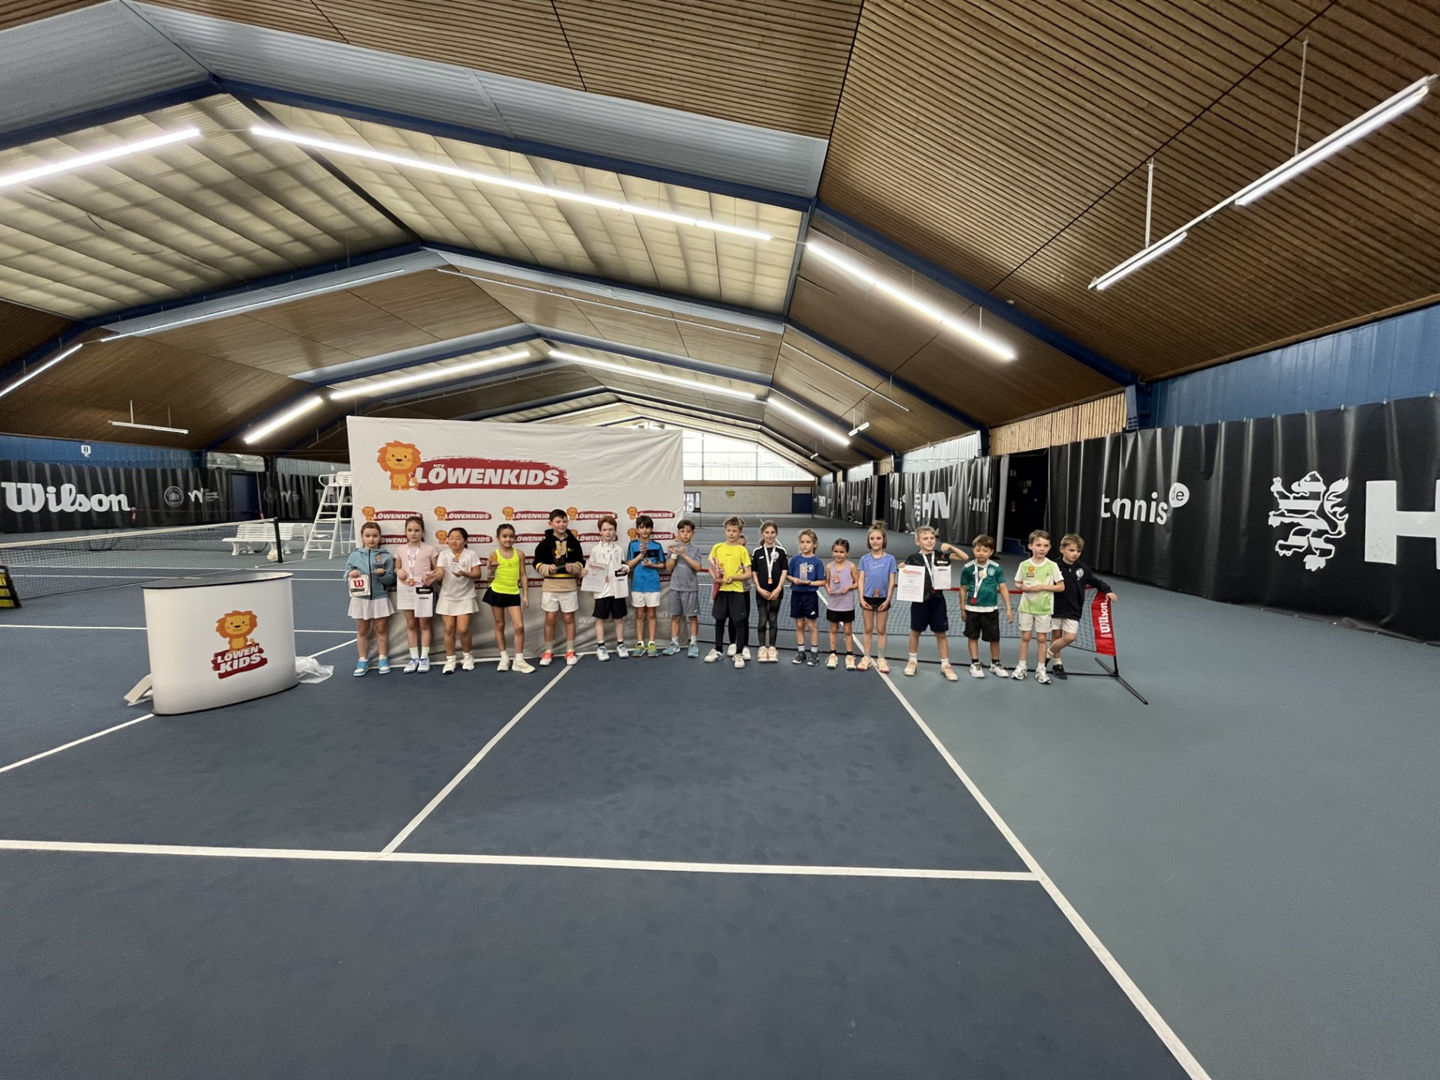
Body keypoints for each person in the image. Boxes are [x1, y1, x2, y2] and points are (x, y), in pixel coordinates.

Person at [903, 526, 969, 681]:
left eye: (932, 538)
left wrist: (951, 546)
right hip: (919, 601)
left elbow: (965, 557)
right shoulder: (913, 558)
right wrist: (902, 568)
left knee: (941, 633)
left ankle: (946, 664)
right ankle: (912, 661)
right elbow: (906, 575)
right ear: (917, 541)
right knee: (915, 631)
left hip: (938, 601)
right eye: (925, 538)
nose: (929, 541)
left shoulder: (942, 555)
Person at [1048, 533, 1118, 681]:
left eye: (1078, 551)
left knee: (1070, 637)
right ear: (1062, 549)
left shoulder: (1083, 569)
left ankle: (1046, 655)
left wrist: (1108, 590)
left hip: (1074, 609)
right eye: (1071, 550)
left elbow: (1095, 581)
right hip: (1054, 607)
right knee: (1056, 636)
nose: (1075, 554)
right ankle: (1057, 663)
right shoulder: (1053, 566)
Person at [533, 508, 585, 667]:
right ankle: (548, 651)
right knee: (550, 619)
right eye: (558, 521)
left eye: (564, 521)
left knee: (569, 618)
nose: (561, 524)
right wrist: (548, 569)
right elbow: (536, 563)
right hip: (550, 586)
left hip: (568, 586)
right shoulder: (544, 543)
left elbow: (581, 562)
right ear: (551, 523)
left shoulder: (574, 542)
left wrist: (574, 568)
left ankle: (570, 650)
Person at [1011, 529, 1065, 684]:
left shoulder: (1052, 566)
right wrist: (1023, 588)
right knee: (1025, 637)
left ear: (1049, 548)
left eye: (1045, 545)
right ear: (1030, 546)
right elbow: (1018, 582)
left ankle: (1041, 669)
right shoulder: (1024, 565)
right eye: (1038, 545)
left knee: (1042, 638)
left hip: (1044, 609)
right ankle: (1021, 666)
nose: (1042, 548)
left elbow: (1061, 587)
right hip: (1026, 607)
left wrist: (1043, 587)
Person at [957, 533, 1012, 678]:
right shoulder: (967, 568)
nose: (981, 553)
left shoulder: (996, 568)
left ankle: (995, 663)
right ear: (973, 550)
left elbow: (1003, 588)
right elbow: (963, 589)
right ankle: (975, 663)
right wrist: (962, 608)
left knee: (994, 639)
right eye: (978, 550)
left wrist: (1008, 608)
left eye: (985, 550)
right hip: (972, 609)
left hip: (990, 610)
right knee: (972, 637)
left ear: (991, 552)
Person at [346, 521, 396, 676]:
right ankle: (362, 659)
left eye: (375, 536)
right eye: (368, 536)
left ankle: (382, 658)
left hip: (380, 598)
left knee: (381, 629)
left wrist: (382, 575)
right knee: (362, 630)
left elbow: (391, 580)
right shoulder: (354, 555)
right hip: (360, 599)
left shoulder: (386, 556)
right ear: (362, 537)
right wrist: (351, 574)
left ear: (380, 537)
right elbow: (345, 574)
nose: (371, 539)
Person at [484, 522, 533, 673]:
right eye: (504, 536)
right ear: (498, 538)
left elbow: (523, 575)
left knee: (519, 626)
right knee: (499, 625)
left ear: (515, 538)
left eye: (511, 536)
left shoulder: (519, 554)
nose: (508, 539)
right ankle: (504, 657)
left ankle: (518, 660)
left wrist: (525, 595)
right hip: (496, 592)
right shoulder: (494, 554)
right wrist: (491, 570)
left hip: (513, 593)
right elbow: (489, 579)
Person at [705, 515, 752, 669]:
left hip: (737, 591)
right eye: (729, 530)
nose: (731, 533)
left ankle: (738, 653)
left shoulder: (742, 550)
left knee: (738, 622)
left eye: (734, 530)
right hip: (721, 591)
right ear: (725, 531)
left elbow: (748, 574)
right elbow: (712, 568)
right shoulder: (717, 547)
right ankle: (718, 649)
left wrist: (734, 578)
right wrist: (716, 578)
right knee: (719, 620)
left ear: (740, 532)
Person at [395, 514, 439, 673]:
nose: (413, 533)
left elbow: (438, 569)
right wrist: (398, 571)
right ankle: (413, 657)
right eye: (410, 530)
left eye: (417, 530)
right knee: (411, 624)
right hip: (406, 590)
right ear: (405, 532)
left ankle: (424, 657)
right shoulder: (400, 550)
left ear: (423, 532)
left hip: (424, 590)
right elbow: (397, 568)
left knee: (424, 624)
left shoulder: (430, 549)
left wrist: (431, 576)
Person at [435, 526, 482, 673]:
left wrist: (465, 574)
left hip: (465, 596)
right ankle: (450, 660)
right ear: (447, 540)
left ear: (465, 540)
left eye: (458, 538)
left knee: (463, 629)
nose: (454, 541)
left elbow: (478, 574)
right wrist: (433, 576)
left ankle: (467, 657)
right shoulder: (443, 554)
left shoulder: (471, 554)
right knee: (449, 629)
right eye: (451, 538)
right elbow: (440, 572)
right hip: (447, 596)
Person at [856, 523, 897, 673]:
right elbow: (861, 580)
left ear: (883, 540)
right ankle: (866, 657)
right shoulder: (864, 559)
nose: (875, 541)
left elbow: (892, 581)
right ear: (868, 540)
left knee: (881, 629)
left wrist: (887, 600)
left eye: (878, 538)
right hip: (867, 598)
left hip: (883, 599)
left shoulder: (890, 559)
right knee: (868, 628)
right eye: (872, 538)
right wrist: (861, 598)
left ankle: (881, 658)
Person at [625, 514, 667, 656]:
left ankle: (651, 643)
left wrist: (652, 565)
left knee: (652, 614)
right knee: (639, 614)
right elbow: (629, 565)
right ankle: (640, 643)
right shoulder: (632, 545)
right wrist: (641, 556)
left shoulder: (657, 545)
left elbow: (663, 564)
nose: (644, 530)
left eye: (647, 527)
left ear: (651, 529)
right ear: (637, 529)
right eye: (641, 527)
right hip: (637, 585)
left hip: (652, 585)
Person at [588, 515, 628, 661]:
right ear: (600, 532)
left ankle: (620, 644)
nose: (608, 532)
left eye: (611, 529)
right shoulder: (595, 550)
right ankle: (601, 646)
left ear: (615, 531)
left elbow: (623, 564)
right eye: (605, 530)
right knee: (600, 618)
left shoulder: (619, 549)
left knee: (618, 618)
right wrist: (598, 576)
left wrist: (625, 567)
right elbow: (592, 569)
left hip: (617, 589)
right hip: (602, 591)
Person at [664, 518, 703, 657]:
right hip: (675, 587)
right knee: (675, 617)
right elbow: (669, 568)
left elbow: (698, 567)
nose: (685, 534)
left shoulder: (696, 550)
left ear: (693, 533)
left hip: (690, 588)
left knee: (692, 617)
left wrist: (684, 554)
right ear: (678, 533)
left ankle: (693, 643)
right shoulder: (672, 549)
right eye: (682, 531)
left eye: (688, 532)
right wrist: (675, 554)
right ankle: (674, 644)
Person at [750, 521, 788, 663]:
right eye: (767, 532)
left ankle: (772, 647)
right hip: (761, 592)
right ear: (762, 534)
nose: (770, 535)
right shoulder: (757, 552)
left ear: (776, 534)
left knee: (773, 620)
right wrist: (759, 588)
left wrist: (778, 588)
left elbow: (784, 571)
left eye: (772, 532)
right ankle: (761, 647)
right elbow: (754, 572)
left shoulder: (781, 551)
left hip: (776, 592)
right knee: (762, 620)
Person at [787, 529, 825, 666]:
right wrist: (794, 580)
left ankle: (814, 653)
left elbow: (822, 581)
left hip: (810, 597)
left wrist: (810, 582)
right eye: (802, 542)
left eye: (808, 542)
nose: (804, 545)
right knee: (799, 624)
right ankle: (801, 651)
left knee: (811, 625)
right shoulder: (795, 559)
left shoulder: (817, 562)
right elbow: (788, 575)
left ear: (814, 544)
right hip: (796, 595)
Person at [825, 538, 861, 670]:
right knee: (833, 629)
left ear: (847, 553)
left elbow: (857, 583)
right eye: (836, 551)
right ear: (832, 552)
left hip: (847, 604)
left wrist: (850, 588)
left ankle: (850, 655)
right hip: (833, 604)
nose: (838, 554)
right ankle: (833, 654)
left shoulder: (851, 566)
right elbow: (826, 582)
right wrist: (827, 588)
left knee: (847, 630)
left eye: (841, 552)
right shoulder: (829, 566)